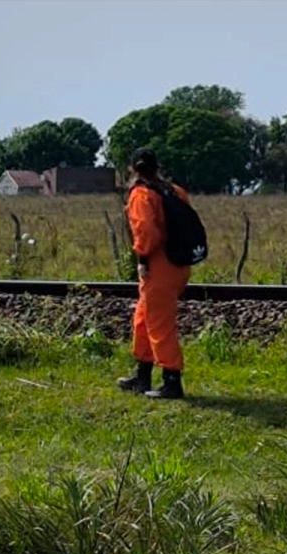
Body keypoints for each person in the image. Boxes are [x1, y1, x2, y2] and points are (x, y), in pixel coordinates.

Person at [116, 148, 191, 399]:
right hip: (179, 263)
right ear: (156, 167)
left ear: (132, 169)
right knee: (143, 317)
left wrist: (143, 258)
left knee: (159, 324)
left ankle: (172, 381)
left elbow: (146, 233)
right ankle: (142, 374)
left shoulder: (141, 194)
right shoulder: (174, 190)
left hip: (158, 266)